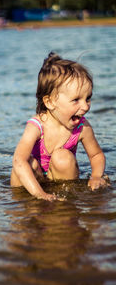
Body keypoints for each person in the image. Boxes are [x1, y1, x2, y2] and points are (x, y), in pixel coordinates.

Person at [11, 52, 110, 201]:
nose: (85, 106)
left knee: (61, 157)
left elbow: (96, 155)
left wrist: (96, 176)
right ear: (50, 102)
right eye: (76, 100)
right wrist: (40, 194)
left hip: (61, 177)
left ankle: (65, 203)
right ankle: (23, 204)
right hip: (34, 179)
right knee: (26, 163)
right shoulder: (36, 126)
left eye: (88, 98)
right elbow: (19, 161)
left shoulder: (82, 127)